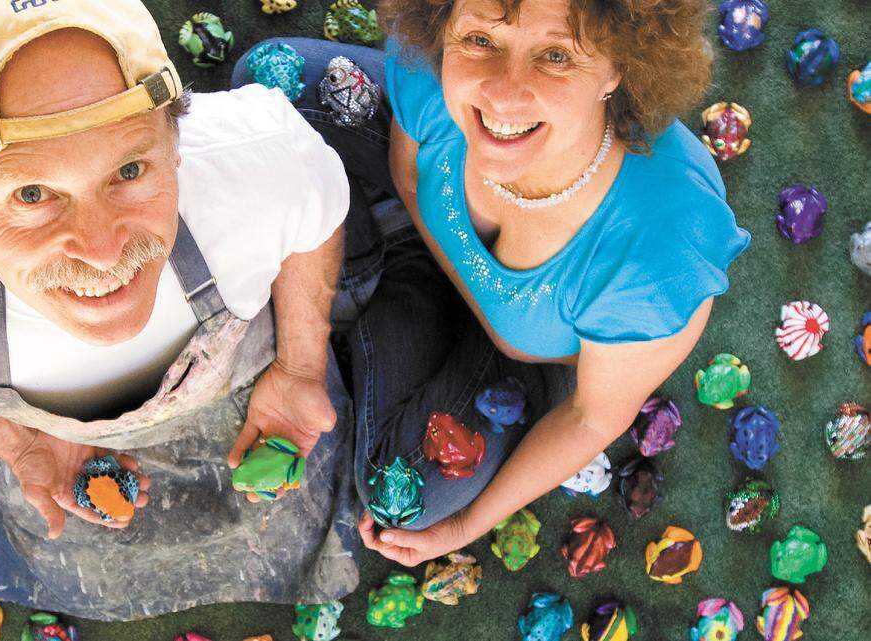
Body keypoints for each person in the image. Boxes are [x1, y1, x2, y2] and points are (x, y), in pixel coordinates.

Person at [0, 0, 363, 621]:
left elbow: (318, 208)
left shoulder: (260, 159)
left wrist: (299, 367)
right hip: (56, 450)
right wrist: (16, 441)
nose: (103, 253)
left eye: (129, 170)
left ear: (176, 141)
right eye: (32, 194)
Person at [234, 0, 750, 568]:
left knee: (400, 496)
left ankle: (350, 279)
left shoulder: (661, 250)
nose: (502, 95)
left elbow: (592, 417)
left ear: (618, 67)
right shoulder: (433, 67)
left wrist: (466, 525)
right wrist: (302, 364)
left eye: (556, 56)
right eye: (481, 40)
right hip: (417, 242)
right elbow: (409, 179)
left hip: (511, 360)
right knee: (267, 86)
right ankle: (360, 277)